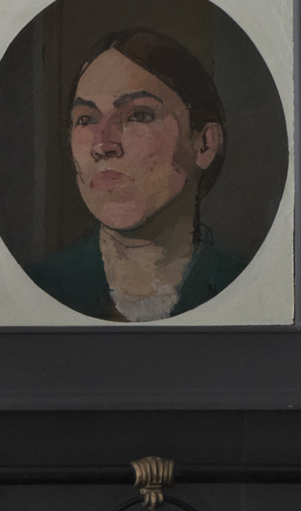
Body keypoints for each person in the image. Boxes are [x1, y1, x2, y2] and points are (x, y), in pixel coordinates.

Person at [25, 27, 244, 322]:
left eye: (139, 115)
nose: (102, 145)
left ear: (204, 144)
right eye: (86, 119)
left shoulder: (247, 288)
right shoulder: (37, 290)